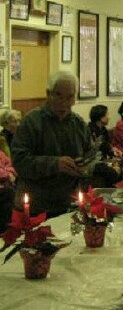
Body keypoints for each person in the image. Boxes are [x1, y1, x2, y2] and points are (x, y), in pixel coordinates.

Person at [11, 71, 95, 217]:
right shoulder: (31, 122)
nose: (64, 102)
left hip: (69, 202)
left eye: (70, 97)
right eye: (58, 95)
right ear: (48, 94)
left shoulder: (79, 124)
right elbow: (20, 162)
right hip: (37, 205)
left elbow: (91, 155)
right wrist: (55, 164)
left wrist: (86, 167)